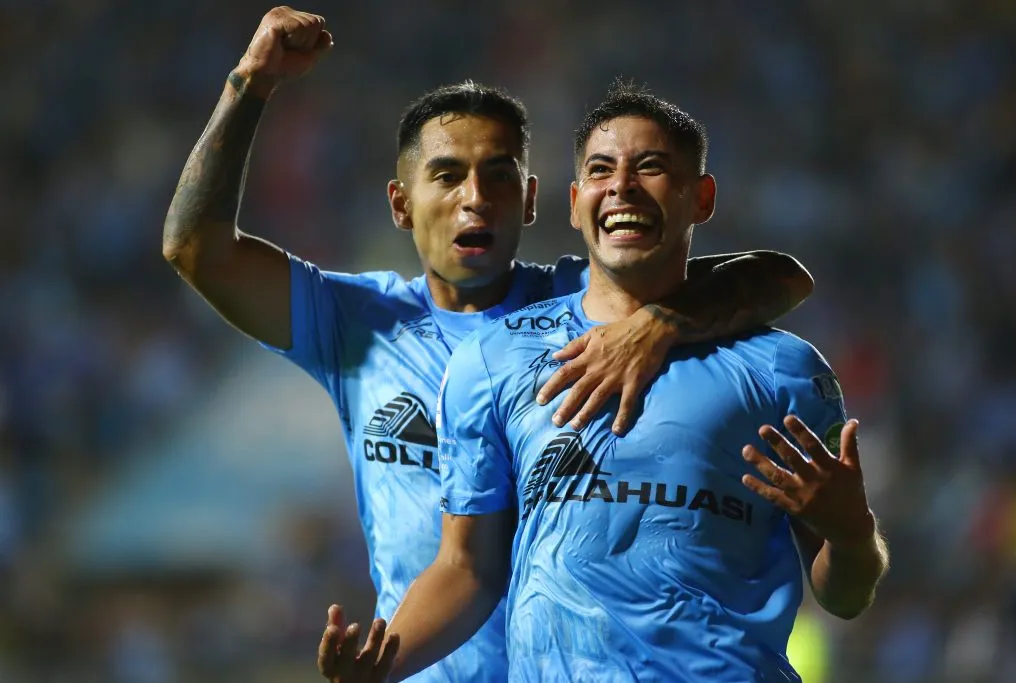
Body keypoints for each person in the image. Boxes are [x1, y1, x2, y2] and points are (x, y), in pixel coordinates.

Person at [163, 7, 814, 682]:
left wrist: (660, 324)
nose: (477, 198)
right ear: (400, 202)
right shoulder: (357, 322)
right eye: (447, 176)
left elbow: (780, 276)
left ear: (531, 200)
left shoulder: (588, 304)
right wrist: (249, 84)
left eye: (499, 176)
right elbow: (195, 249)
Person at [317, 80, 890, 682]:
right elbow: (468, 570)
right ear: (573, 201)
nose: (622, 185)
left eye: (651, 167)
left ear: (702, 196)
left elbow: (845, 596)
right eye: (601, 169)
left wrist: (853, 536)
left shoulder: (781, 370)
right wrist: (381, 667)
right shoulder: (495, 358)